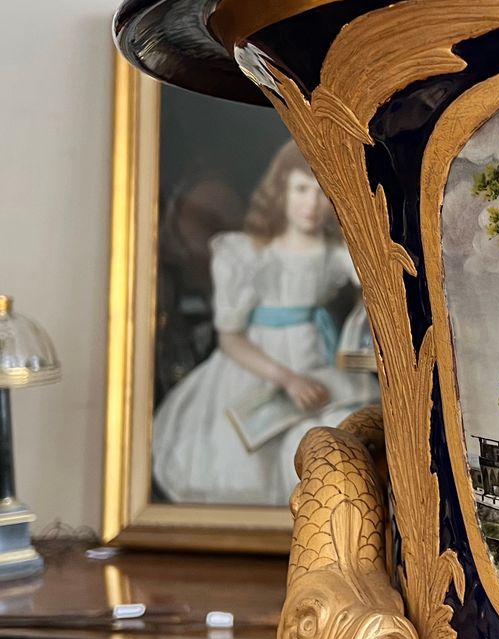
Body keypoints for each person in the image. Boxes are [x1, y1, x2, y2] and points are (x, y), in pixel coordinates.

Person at [152, 143, 375, 504]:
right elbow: (231, 340)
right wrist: (287, 379)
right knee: (246, 461)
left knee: (332, 435)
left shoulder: (334, 254)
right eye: (301, 189)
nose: (311, 203)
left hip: (315, 361)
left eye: (321, 192)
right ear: (280, 191)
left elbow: (375, 280)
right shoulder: (246, 254)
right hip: (257, 369)